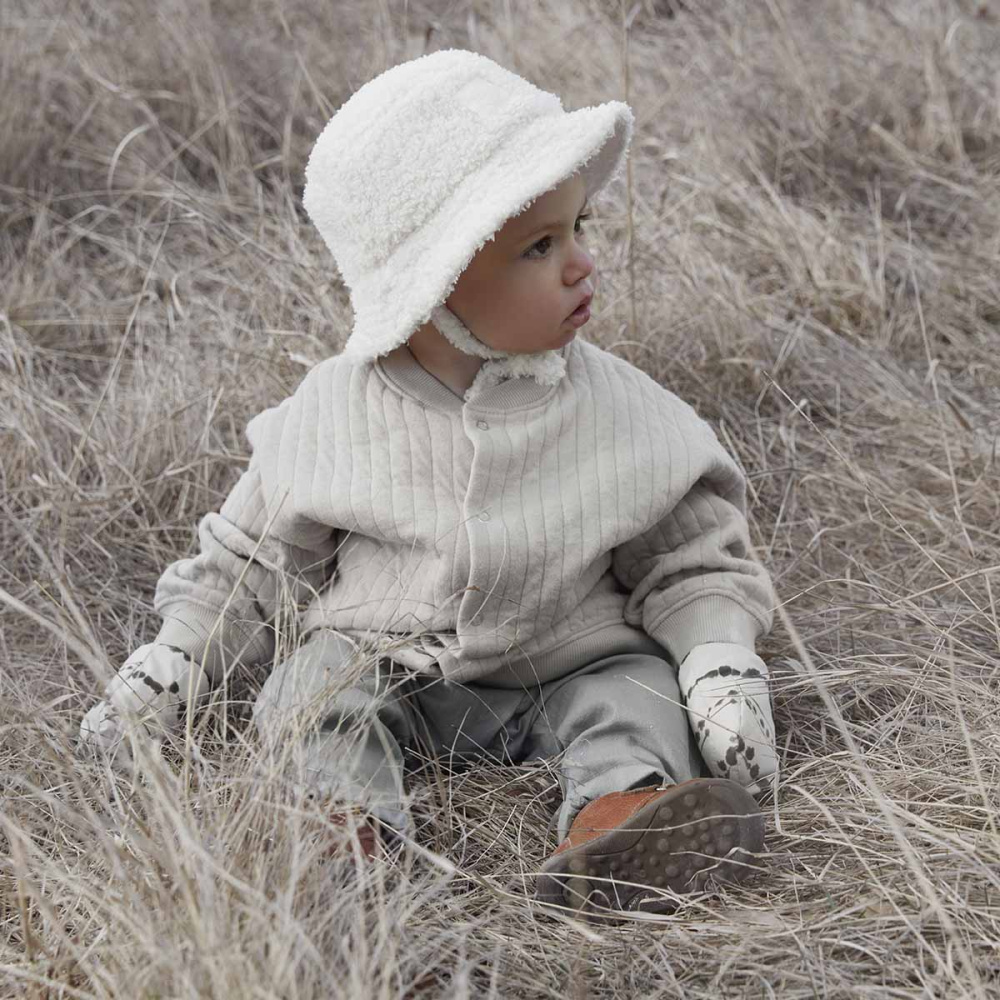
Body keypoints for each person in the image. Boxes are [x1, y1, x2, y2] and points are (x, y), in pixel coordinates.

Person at [78, 48, 778, 919]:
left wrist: (716, 657)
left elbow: (693, 555)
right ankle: (342, 833)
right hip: (389, 659)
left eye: (580, 227)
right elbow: (254, 561)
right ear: (432, 282)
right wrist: (180, 654)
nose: (583, 264)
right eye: (540, 246)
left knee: (637, 692)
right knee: (309, 691)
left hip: (570, 661)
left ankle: (621, 814)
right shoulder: (333, 415)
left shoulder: (622, 409)